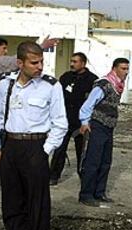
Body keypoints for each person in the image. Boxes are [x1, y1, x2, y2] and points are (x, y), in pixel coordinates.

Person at [0, 41, 67, 230]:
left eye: (41, 62)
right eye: (34, 62)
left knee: (38, 209)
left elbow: (60, 123)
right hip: (10, 147)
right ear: (20, 63)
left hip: (36, 147)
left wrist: (44, 151)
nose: (39, 66)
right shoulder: (6, 84)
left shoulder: (50, 87)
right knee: (12, 206)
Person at [0, 35, 57, 198]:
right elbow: (19, 59)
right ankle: (1, 185)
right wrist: (41, 46)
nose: (5, 52)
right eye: (4, 49)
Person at [78, 58, 129, 207]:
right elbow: (88, 105)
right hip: (97, 125)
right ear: (114, 69)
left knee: (105, 161)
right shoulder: (104, 85)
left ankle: (99, 193)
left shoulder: (118, 85)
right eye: (122, 68)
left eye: (127, 69)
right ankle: (86, 194)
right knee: (93, 161)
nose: (125, 72)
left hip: (108, 127)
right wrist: (84, 122)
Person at [49, 52, 98, 186]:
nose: (72, 64)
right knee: (59, 149)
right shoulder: (66, 77)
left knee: (82, 152)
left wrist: (87, 121)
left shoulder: (92, 80)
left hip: (81, 122)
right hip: (65, 120)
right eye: (71, 61)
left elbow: (94, 102)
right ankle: (53, 176)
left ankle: (84, 178)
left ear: (83, 63)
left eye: (75, 62)